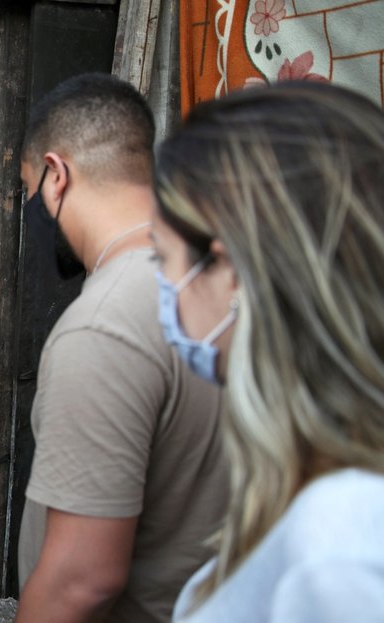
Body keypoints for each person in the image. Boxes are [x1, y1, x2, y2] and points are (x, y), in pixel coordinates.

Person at [151, 81, 384, 622]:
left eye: (160, 260)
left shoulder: (339, 549)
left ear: (230, 272)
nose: (160, 288)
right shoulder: (322, 498)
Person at [14, 73, 229, 622]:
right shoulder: (225, 279)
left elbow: (81, 582)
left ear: (56, 176)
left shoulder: (101, 327)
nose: (31, 208)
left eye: (29, 189)